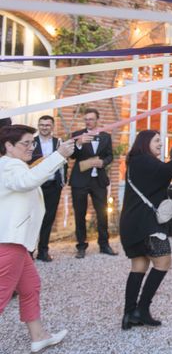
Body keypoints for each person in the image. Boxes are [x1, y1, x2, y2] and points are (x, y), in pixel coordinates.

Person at [0, 124, 75, 353]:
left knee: (31, 286)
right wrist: (59, 156)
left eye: (32, 142)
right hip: (9, 243)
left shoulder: (15, 165)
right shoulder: (8, 166)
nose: (31, 147)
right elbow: (28, 181)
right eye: (26, 143)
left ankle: (38, 336)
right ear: (8, 146)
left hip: (18, 242)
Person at [119, 130, 172, 329]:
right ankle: (142, 309)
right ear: (145, 142)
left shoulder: (137, 162)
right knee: (163, 261)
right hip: (146, 223)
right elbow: (167, 171)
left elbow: (161, 175)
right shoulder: (143, 161)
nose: (160, 144)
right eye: (156, 141)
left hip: (132, 223)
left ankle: (129, 314)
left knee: (139, 265)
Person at [69, 108, 117, 258]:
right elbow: (72, 156)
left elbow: (110, 156)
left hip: (98, 180)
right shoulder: (77, 135)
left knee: (102, 214)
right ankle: (81, 246)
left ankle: (104, 245)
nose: (88, 121)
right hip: (80, 180)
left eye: (91, 119)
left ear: (97, 120)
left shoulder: (105, 137)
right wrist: (78, 144)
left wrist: (103, 162)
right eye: (86, 119)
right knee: (80, 214)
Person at [30, 115, 66, 262]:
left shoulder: (59, 142)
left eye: (47, 125)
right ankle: (29, 251)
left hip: (53, 186)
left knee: (48, 218)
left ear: (52, 126)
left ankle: (43, 251)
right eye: (42, 125)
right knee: (32, 218)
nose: (44, 127)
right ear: (38, 126)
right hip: (35, 186)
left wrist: (63, 181)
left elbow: (64, 162)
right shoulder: (31, 142)